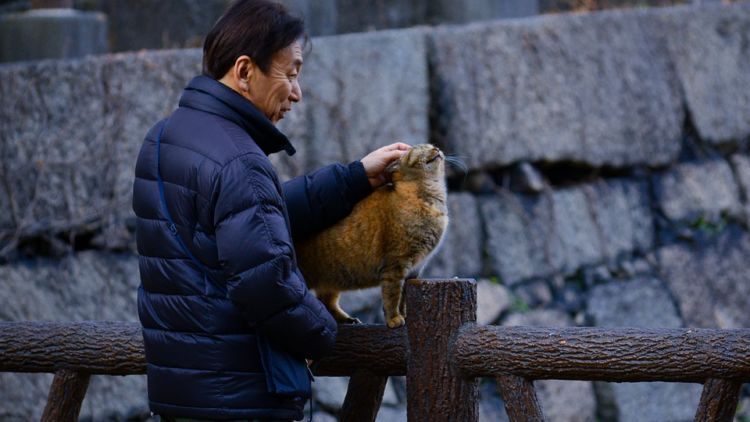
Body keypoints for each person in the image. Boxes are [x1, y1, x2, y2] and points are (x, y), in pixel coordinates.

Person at [132, 0, 409, 420]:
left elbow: (246, 222)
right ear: (244, 72)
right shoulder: (240, 160)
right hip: (242, 398)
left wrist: (352, 179)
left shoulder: (165, 137)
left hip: (182, 392)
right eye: (291, 73)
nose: (297, 93)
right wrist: (322, 335)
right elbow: (267, 284)